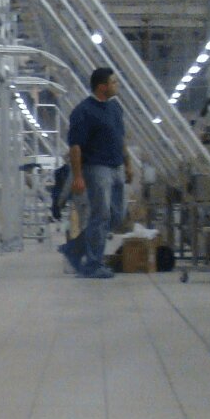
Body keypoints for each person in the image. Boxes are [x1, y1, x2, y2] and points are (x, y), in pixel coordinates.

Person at [58, 67, 131, 279]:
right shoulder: (83, 111)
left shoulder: (116, 109)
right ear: (102, 87)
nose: (117, 86)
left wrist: (128, 164)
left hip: (116, 166)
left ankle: (74, 249)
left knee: (116, 216)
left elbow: (121, 137)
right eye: (114, 82)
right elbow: (75, 147)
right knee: (101, 215)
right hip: (96, 168)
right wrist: (78, 176)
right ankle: (93, 263)